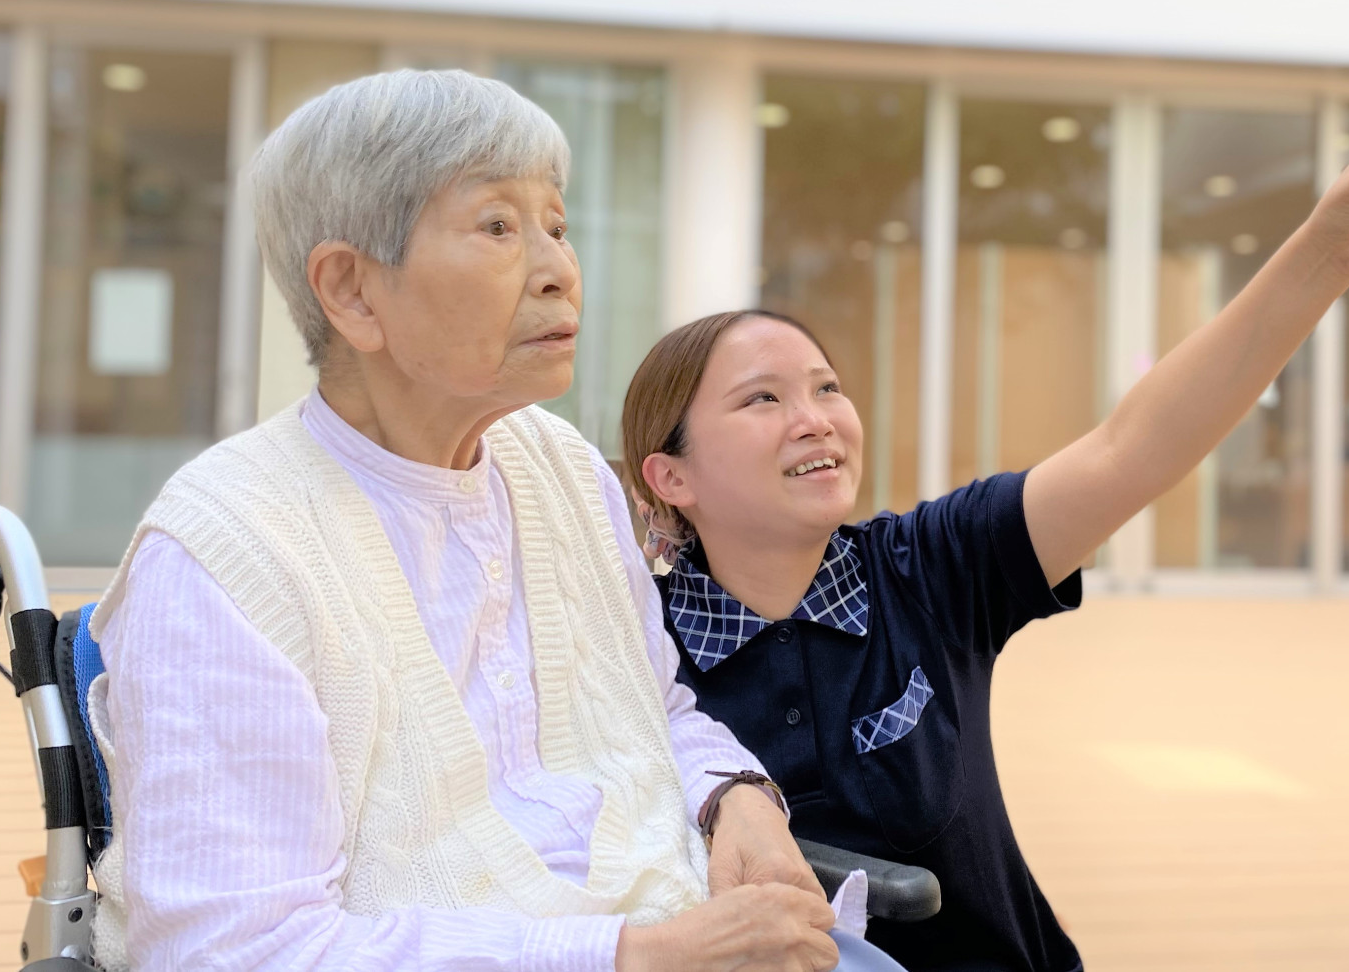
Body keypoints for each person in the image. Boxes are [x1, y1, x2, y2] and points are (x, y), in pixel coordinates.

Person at [619, 47, 1349, 972]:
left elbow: (1131, 447)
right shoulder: (633, 657)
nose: (817, 418)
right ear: (672, 477)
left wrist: (1329, 252)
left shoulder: (928, 568)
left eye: (827, 386)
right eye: (764, 400)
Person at [85, 69, 906, 972]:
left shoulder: (562, 472)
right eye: (499, 227)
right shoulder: (228, 552)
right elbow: (231, 950)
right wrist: (629, 955)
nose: (559, 270)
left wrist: (735, 795)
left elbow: (655, 705)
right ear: (353, 291)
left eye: (556, 224)